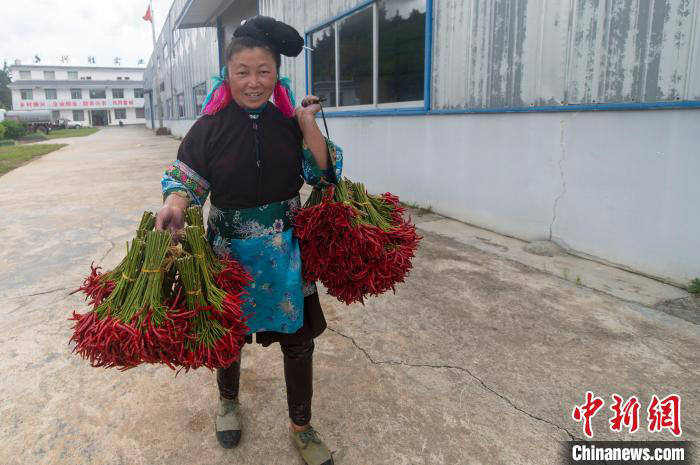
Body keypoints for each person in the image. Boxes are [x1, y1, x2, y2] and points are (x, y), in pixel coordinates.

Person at [155, 15, 341, 465]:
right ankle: (228, 403)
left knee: (298, 340)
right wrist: (176, 207)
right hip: (228, 251)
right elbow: (186, 182)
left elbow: (324, 173)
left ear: (277, 75)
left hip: (285, 253)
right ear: (227, 74)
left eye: (263, 72)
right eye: (242, 71)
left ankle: (302, 425)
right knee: (229, 336)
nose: (253, 82)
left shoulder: (289, 123)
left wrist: (306, 122)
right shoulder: (209, 128)